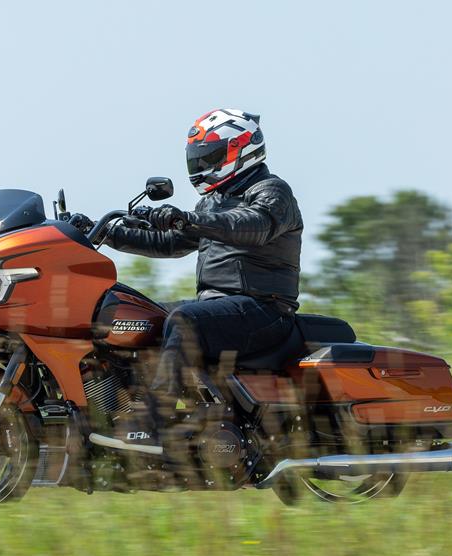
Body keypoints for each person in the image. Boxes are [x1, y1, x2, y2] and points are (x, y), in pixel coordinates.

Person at [99, 109, 304, 445]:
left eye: (210, 156)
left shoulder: (272, 192)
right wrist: (106, 233)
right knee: (129, 313)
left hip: (264, 310)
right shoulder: (215, 201)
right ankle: (119, 410)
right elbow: (169, 242)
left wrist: (188, 219)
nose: (201, 165)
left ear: (241, 149)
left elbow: (252, 225)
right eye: (198, 158)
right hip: (218, 308)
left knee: (184, 321)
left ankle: (155, 419)